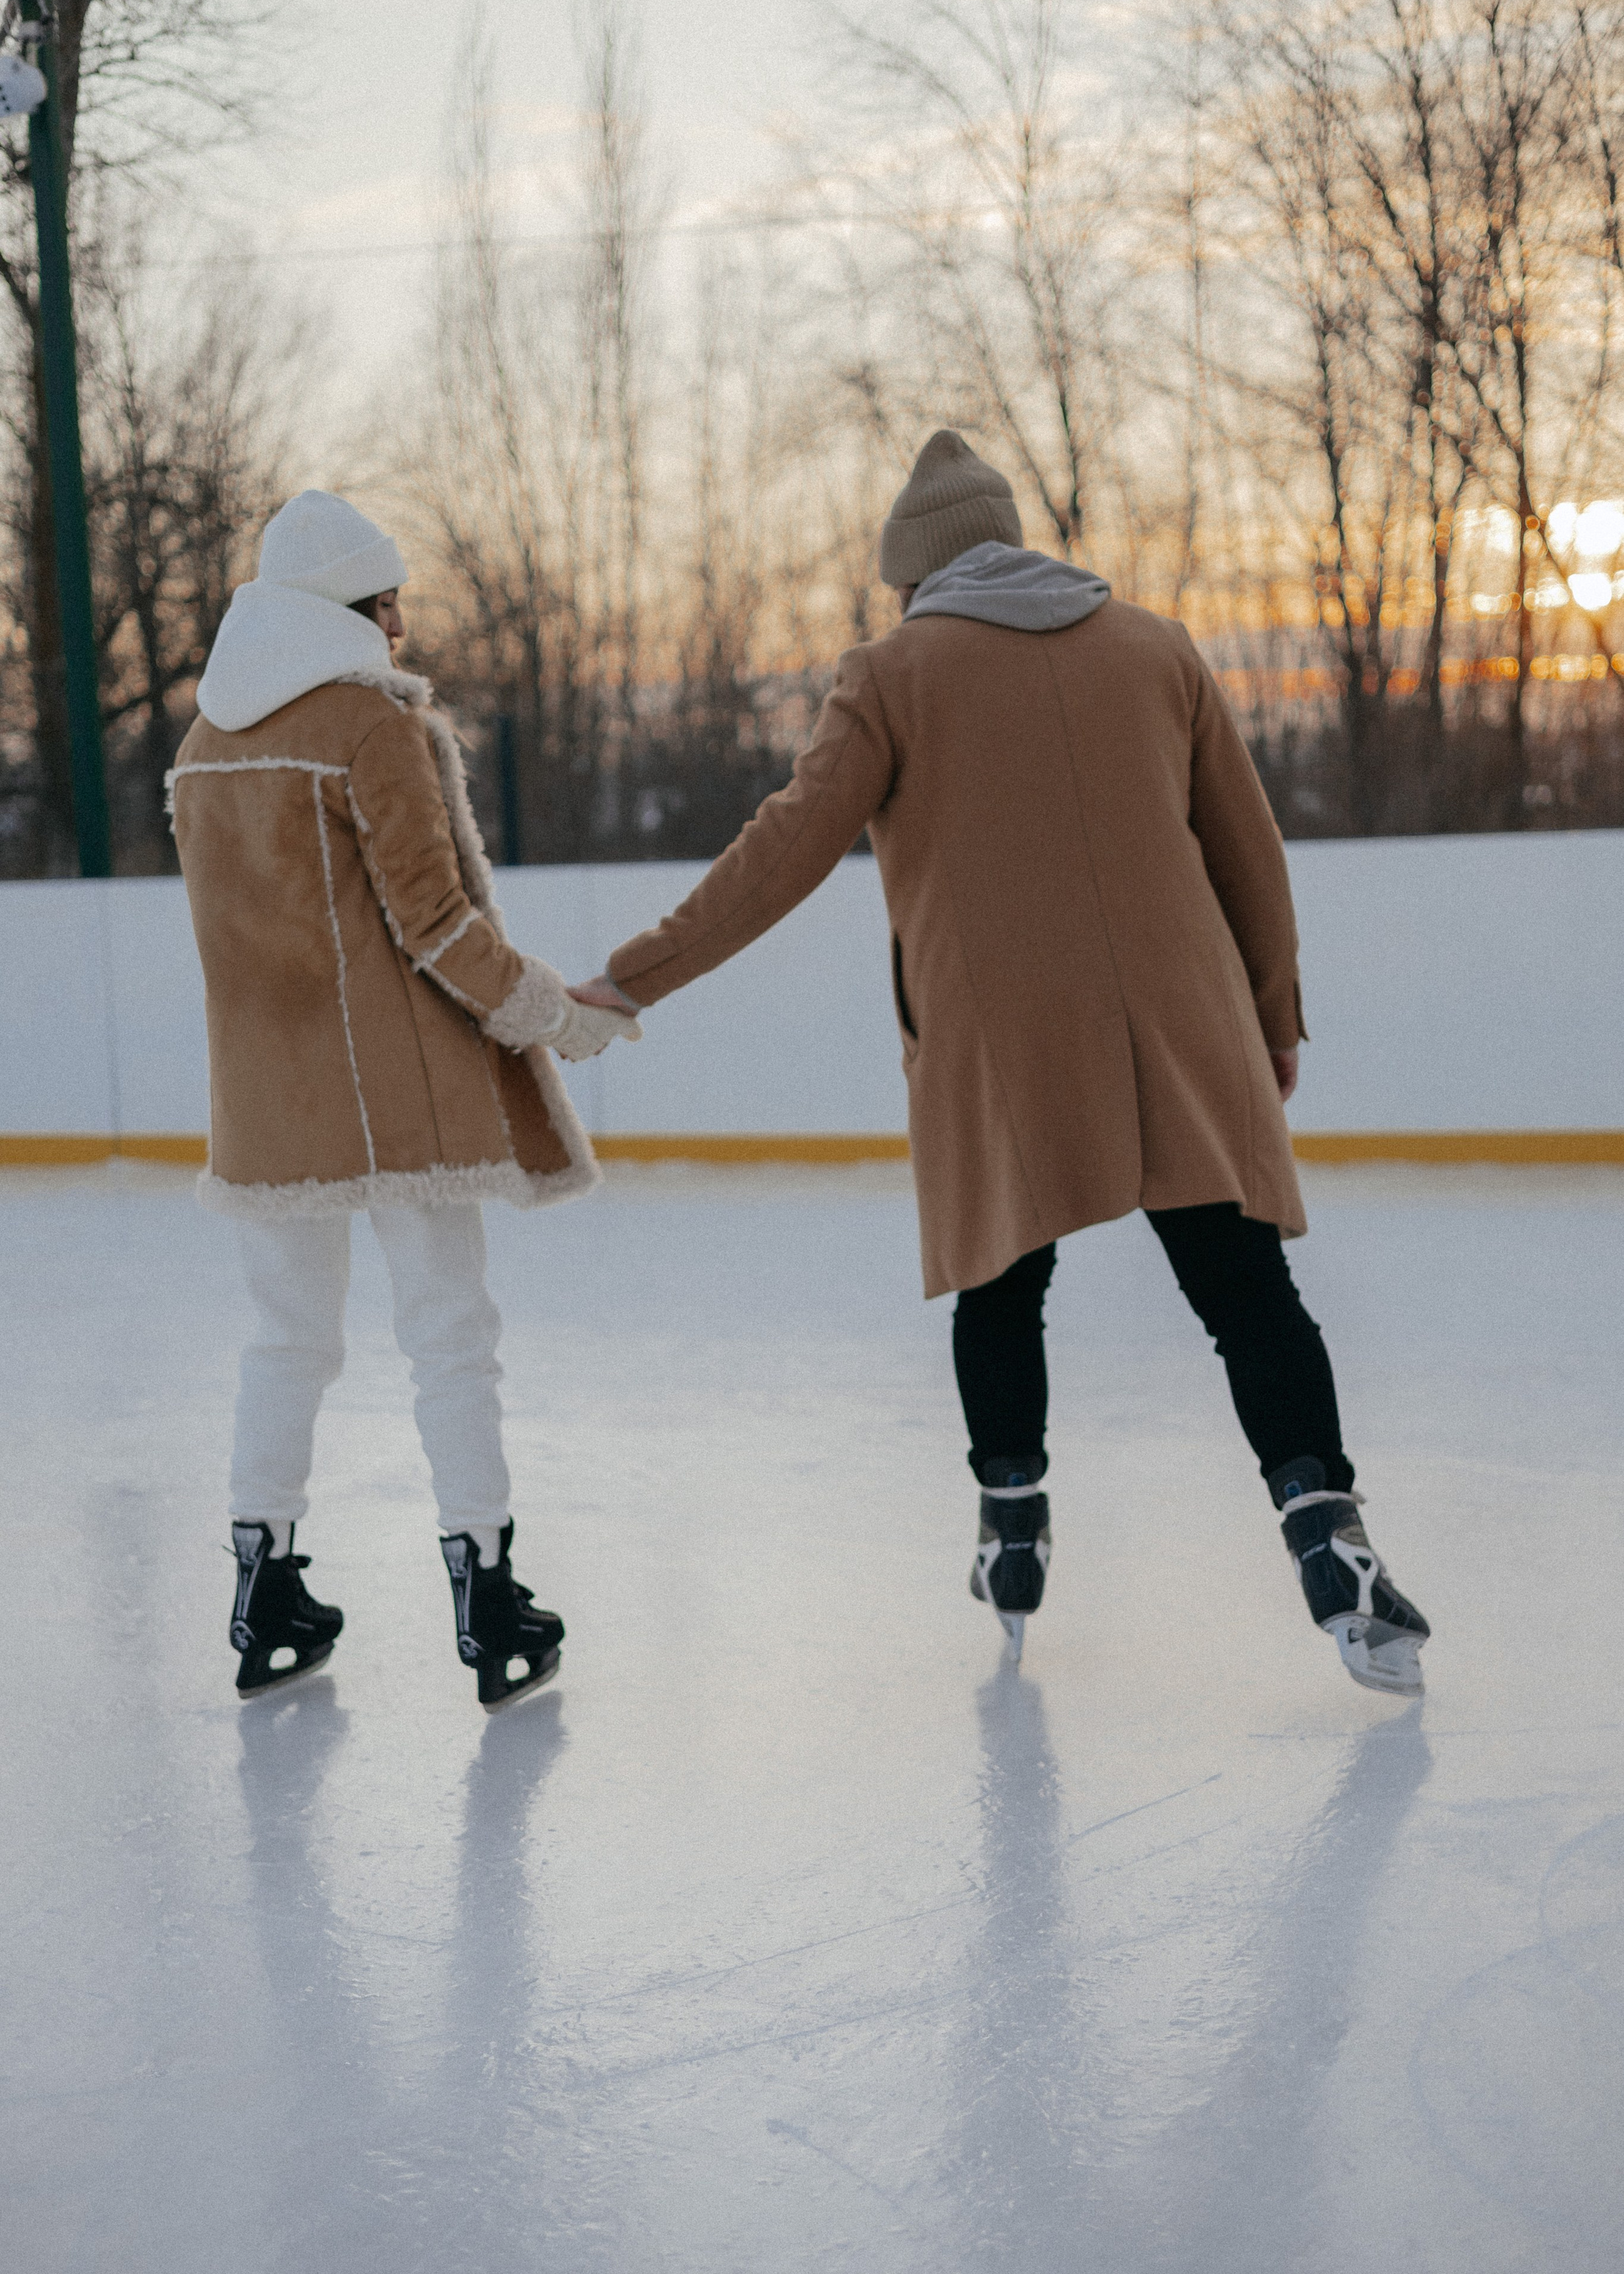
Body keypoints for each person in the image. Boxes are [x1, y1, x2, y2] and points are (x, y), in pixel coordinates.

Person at [570, 431, 1431, 1694]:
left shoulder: (893, 672)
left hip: (1003, 1048)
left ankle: (1012, 1524)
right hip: (1184, 1029)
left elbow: (784, 850)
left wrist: (631, 974)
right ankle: (1325, 1530)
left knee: (1001, 1282)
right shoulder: (1152, 645)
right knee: (1247, 1295)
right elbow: (1249, 852)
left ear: (910, 578)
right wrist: (1273, 1019)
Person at [170, 490, 639, 1712]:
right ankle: (489, 1601)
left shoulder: (204, 748)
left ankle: (263, 1585)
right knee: (451, 1340)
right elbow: (436, 925)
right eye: (389, 604)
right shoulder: (370, 727)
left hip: (264, 1106)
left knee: (286, 1340)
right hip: (395, 1101)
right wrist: (555, 1016)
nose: (400, 629)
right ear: (346, 608)